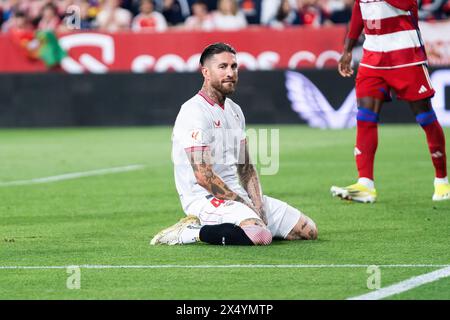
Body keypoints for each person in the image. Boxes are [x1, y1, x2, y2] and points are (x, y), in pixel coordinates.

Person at [151, 43, 318, 246]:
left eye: (234, 66)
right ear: (206, 72)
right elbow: (204, 177)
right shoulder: (193, 111)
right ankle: (190, 232)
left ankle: (244, 225)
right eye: (222, 67)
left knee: (308, 230)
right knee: (260, 236)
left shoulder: (234, 110)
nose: (230, 72)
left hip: (237, 196)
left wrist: (258, 205)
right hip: (204, 199)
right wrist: (244, 205)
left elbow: (245, 167)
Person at [330, 0, 450, 203]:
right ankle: (365, 184)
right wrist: (348, 49)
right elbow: (359, 10)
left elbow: (407, 4)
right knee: (365, 115)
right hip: (373, 59)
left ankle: (441, 180)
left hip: (406, 57)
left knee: (425, 117)